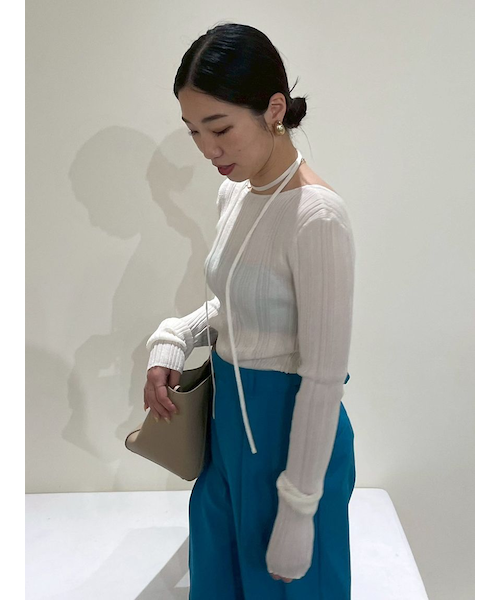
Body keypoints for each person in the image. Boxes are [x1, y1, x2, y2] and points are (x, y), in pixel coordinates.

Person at [143, 22, 356, 599]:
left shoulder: (317, 218)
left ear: (273, 109)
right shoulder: (234, 193)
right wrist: (177, 335)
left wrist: (300, 509)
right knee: (216, 579)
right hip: (228, 431)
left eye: (220, 128)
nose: (208, 150)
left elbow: (323, 376)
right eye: (193, 131)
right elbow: (239, 298)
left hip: (293, 439)